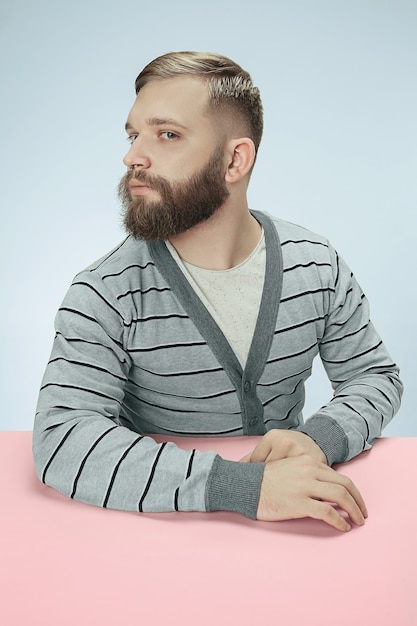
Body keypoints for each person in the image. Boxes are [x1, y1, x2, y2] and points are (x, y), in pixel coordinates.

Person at [33, 51, 402, 532]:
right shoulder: (105, 292)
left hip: (296, 530)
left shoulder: (316, 264)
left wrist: (318, 440)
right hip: (152, 534)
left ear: (234, 159)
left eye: (167, 135)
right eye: (133, 135)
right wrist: (240, 487)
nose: (132, 157)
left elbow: (373, 375)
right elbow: (64, 439)